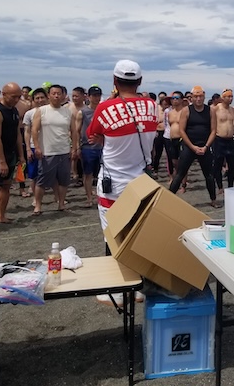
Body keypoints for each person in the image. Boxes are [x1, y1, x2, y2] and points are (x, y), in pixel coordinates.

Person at [86, 59, 158, 306]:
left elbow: (92, 135)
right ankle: (139, 287)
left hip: (113, 182)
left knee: (112, 234)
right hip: (141, 180)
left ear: (115, 81)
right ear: (140, 81)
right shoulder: (151, 105)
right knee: (138, 232)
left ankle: (116, 290)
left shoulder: (105, 107)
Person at [31, 84, 79, 215]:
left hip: (64, 151)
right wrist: (37, 147)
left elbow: (74, 131)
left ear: (63, 95)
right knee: (42, 181)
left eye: (59, 93)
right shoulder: (42, 111)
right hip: (47, 152)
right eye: (54, 93)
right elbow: (34, 130)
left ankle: (61, 203)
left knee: (64, 180)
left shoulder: (67, 112)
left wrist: (74, 148)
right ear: (49, 95)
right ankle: (38, 205)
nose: (56, 96)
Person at [0, 83, 25, 233]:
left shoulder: (14, 110)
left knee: (6, 185)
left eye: (19, 96)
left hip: (11, 153)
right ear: (4, 94)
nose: (16, 99)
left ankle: (1, 215)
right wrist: (1, 161)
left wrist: (21, 155)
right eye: (14, 96)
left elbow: (17, 133)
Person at [169, 86, 219, 207]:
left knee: (209, 175)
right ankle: (167, 200)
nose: (198, 99)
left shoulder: (210, 110)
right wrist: (192, 147)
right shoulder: (186, 110)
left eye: (200, 96)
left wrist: (206, 146)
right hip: (189, 146)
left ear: (204, 96)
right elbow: (182, 130)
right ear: (192, 97)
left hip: (204, 146)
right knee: (180, 174)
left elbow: (213, 131)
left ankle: (213, 199)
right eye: (196, 96)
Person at [212, 89, 234, 193]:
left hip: (230, 140)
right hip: (219, 139)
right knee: (218, 164)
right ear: (223, 97)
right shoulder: (216, 108)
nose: (230, 99)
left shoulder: (232, 110)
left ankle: (230, 186)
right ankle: (220, 187)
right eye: (228, 97)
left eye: (231, 97)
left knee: (232, 165)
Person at [76, 86, 103, 208]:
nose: (97, 98)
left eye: (98, 95)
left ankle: (101, 196)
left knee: (102, 173)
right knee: (88, 174)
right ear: (89, 96)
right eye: (94, 95)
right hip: (88, 147)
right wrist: (77, 146)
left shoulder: (103, 111)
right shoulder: (83, 112)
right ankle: (89, 198)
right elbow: (77, 131)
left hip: (102, 146)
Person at [23, 88, 49, 201]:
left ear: (47, 98)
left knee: (52, 175)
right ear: (33, 100)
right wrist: (28, 149)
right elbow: (27, 132)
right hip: (34, 146)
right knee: (34, 175)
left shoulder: (52, 111)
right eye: (37, 98)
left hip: (50, 147)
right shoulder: (29, 114)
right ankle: (36, 199)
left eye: (42, 97)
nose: (40, 100)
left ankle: (58, 198)